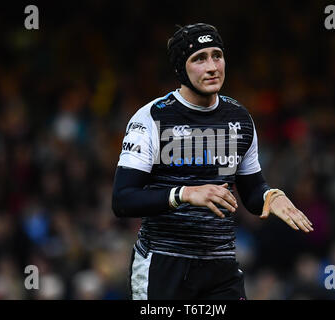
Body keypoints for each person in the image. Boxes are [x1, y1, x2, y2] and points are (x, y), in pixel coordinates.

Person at [111, 23, 313, 300]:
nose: (212, 66)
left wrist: (270, 196)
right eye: (199, 58)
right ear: (182, 68)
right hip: (164, 265)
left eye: (217, 55)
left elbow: (252, 192)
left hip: (221, 267)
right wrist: (185, 194)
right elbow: (123, 200)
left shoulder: (240, 118)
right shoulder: (151, 118)